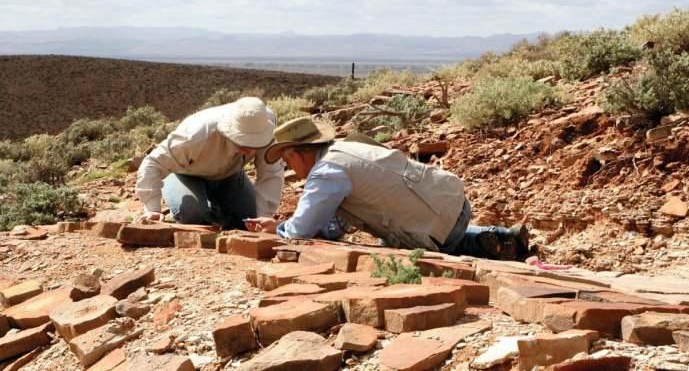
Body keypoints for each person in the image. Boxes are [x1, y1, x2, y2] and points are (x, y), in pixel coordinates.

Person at [246, 116, 529, 260]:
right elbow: (336, 224)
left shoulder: (326, 173)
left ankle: (476, 245)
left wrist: (277, 228)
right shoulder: (349, 146)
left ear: (299, 153)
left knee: (389, 252)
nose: (289, 167)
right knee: (398, 236)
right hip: (455, 203)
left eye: (287, 160)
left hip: (437, 231)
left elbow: (299, 232)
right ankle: (496, 237)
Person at [135, 97, 283, 229]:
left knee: (249, 219)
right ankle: (206, 213)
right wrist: (152, 209)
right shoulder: (196, 134)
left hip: (230, 176)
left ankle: (217, 214)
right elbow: (152, 163)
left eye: (254, 144)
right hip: (186, 175)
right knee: (193, 214)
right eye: (244, 142)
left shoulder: (263, 125)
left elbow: (271, 173)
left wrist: (263, 215)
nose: (250, 150)